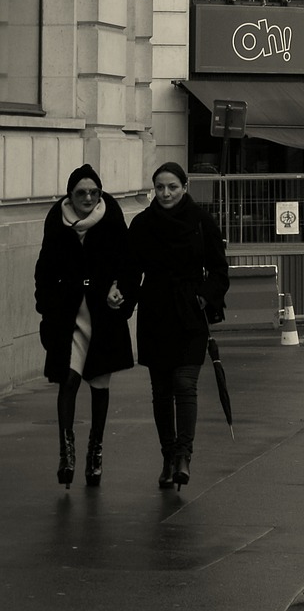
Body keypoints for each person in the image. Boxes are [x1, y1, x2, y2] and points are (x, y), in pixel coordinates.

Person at [34, 165, 137, 489]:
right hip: (68, 316)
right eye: (81, 193)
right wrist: (47, 308)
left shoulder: (112, 217)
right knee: (68, 379)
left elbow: (128, 263)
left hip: (102, 314)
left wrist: (120, 290)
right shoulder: (56, 220)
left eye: (93, 192)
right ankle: (67, 453)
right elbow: (44, 271)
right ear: (70, 194)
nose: (88, 198)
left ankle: (96, 452)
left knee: (99, 384)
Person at [128, 162, 229, 490]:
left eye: (172, 186)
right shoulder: (142, 224)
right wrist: (121, 295)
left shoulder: (201, 222)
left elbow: (219, 270)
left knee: (185, 384)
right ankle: (168, 456)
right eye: (160, 187)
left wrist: (203, 297)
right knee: (161, 391)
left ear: (185, 186)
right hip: (155, 311)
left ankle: (184, 455)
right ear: (154, 190)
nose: (166, 193)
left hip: (189, 311)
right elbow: (130, 269)